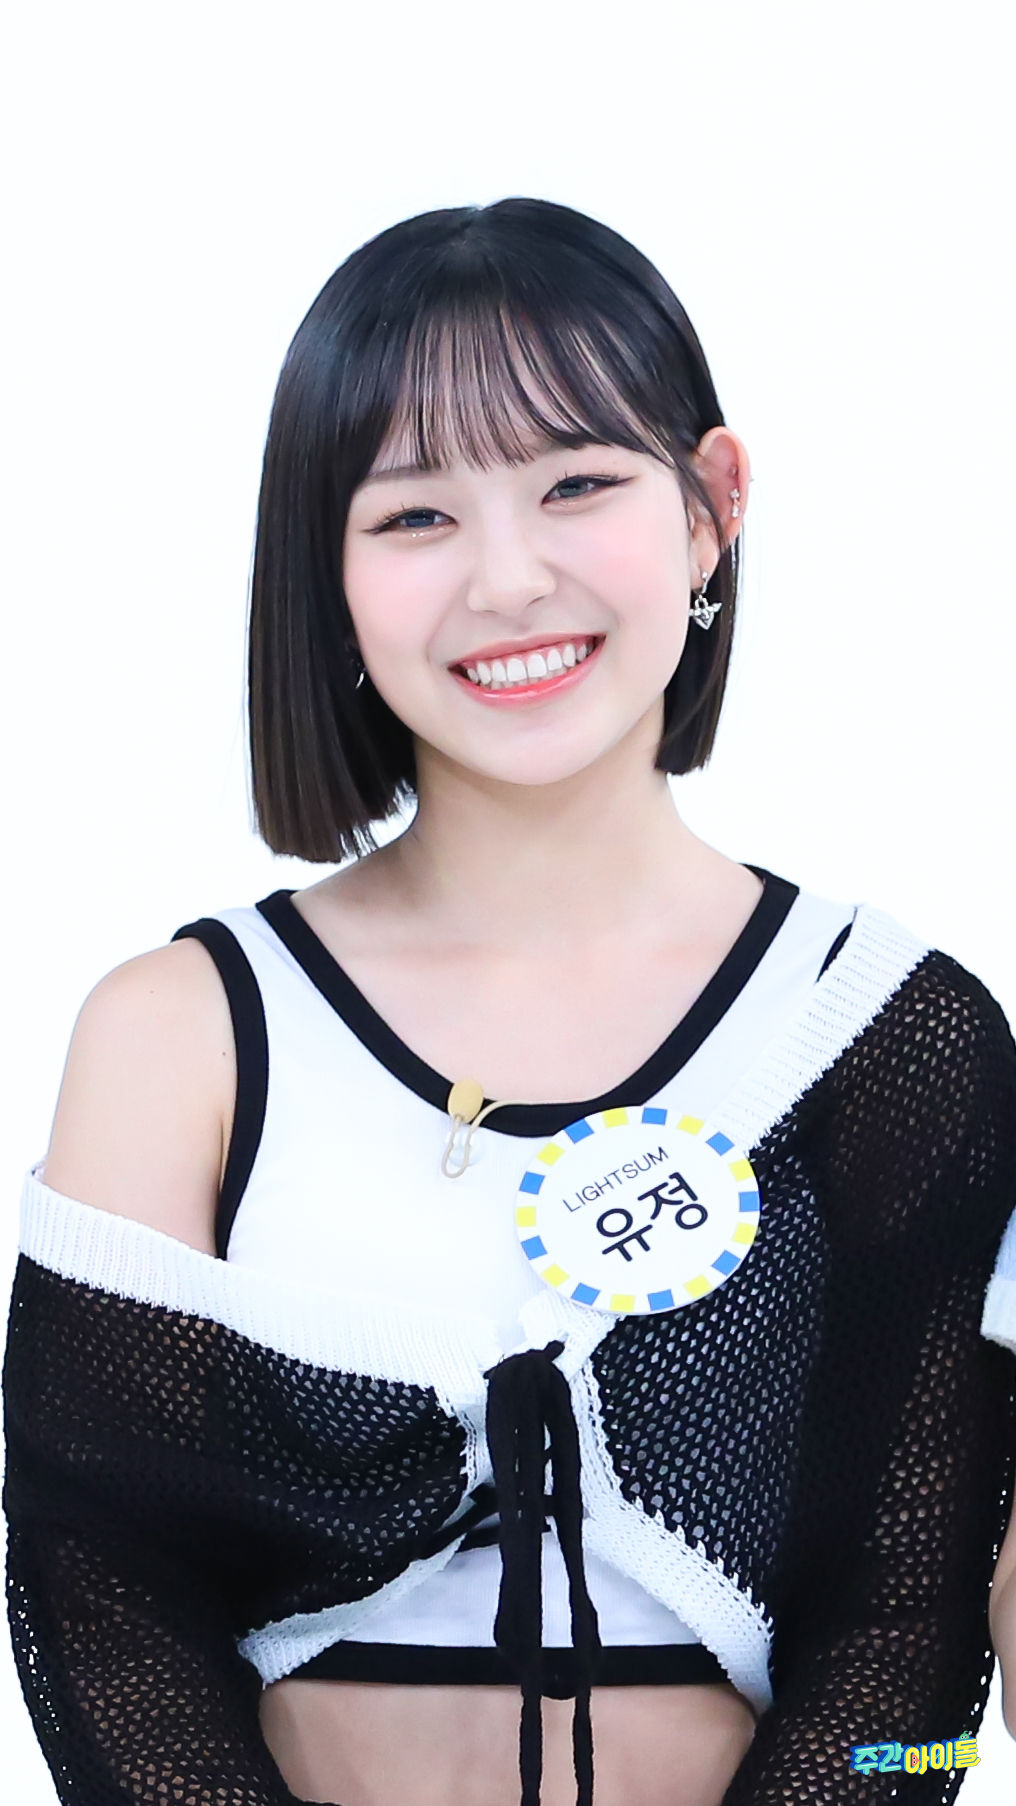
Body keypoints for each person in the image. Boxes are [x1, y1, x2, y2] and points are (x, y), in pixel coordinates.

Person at [5, 197, 1016, 1806]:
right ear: (326, 571)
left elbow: (910, 1635)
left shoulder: (883, 1027)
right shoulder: (179, 1032)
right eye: (415, 515)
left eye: (577, 483)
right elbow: (103, 1596)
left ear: (713, 507)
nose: (508, 577)